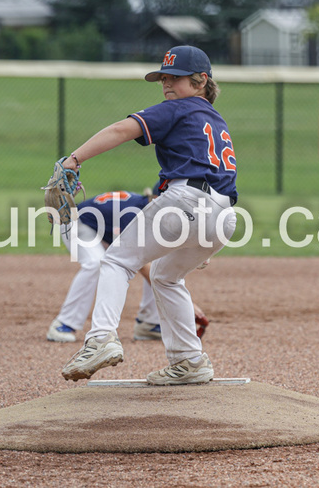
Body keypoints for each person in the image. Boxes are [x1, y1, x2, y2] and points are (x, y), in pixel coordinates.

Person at [59, 45, 237, 385]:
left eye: (176, 78)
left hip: (186, 201)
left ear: (201, 81)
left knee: (115, 261)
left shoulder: (178, 109)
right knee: (166, 276)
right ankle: (190, 360)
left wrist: (74, 159)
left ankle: (100, 339)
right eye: (163, 78)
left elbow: (121, 130)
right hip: (223, 216)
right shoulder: (215, 120)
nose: (167, 84)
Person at [47, 188, 210, 343]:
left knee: (158, 261)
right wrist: (186, 304)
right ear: (156, 199)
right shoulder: (135, 215)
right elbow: (142, 264)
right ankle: (63, 324)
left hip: (101, 229)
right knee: (94, 263)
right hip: (77, 223)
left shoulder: (150, 211)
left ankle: (149, 324)